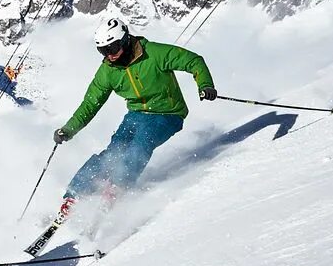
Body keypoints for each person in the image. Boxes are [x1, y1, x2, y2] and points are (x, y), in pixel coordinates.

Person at [31, 16, 215, 250]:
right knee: (112, 153)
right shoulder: (108, 70)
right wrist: (68, 129)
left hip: (167, 114)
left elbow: (193, 61)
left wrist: (205, 85)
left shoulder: (154, 53)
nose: (110, 55)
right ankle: (75, 194)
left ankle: (116, 189)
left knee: (139, 145)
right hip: (136, 115)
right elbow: (91, 103)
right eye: (103, 51)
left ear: (125, 40)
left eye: (113, 48)